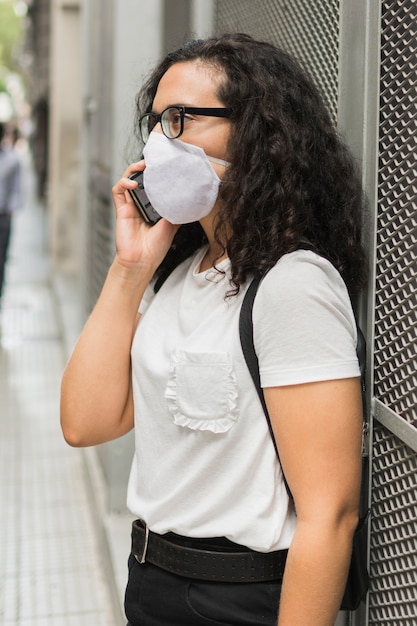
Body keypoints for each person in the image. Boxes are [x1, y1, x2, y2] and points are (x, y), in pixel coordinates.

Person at [60, 33, 367, 626]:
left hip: (237, 599)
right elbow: (85, 421)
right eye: (155, 122)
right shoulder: (180, 273)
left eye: (180, 119)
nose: (157, 142)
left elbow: (331, 515)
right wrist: (130, 268)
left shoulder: (291, 284)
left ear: (255, 132)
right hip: (151, 581)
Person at [0, 122, 22, 307]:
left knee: (1, 259)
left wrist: (11, 210)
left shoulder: (12, 159)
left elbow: (16, 188)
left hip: (2, 217)